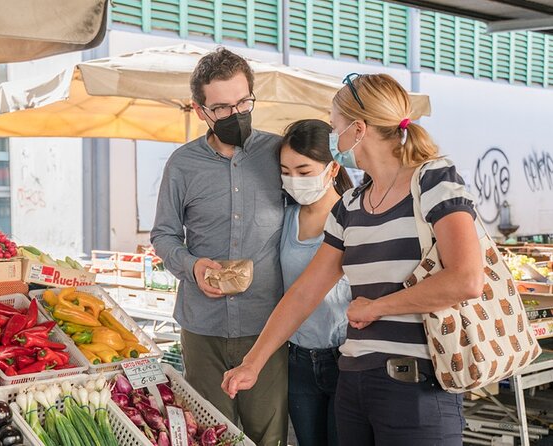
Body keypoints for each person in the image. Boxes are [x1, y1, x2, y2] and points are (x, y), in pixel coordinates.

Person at [222, 73, 484, 446]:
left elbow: (465, 279)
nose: (333, 137)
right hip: (354, 383)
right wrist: (254, 362)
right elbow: (303, 293)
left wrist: (377, 307)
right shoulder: (351, 205)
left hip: (418, 388)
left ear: (359, 129)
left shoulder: (434, 181)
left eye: (335, 127)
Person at [150, 47, 288, 445]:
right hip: (202, 328)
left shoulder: (278, 153)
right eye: (223, 107)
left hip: (266, 329)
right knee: (212, 436)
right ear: (201, 111)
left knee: (269, 436)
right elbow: (163, 234)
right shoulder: (182, 164)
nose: (237, 114)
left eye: (244, 102)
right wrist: (192, 267)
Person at [279, 119, 353, 446]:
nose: (293, 180)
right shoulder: (285, 218)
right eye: (286, 171)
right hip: (297, 361)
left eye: (304, 171)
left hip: (346, 358)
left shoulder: (355, 217)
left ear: (333, 168)